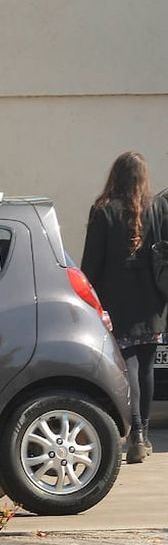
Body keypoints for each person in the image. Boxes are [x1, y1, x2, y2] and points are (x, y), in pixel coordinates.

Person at [82, 151, 167, 464]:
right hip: (152, 303)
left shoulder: (103, 209)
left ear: (115, 175)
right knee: (146, 367)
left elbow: (92, 262)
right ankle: (141, 435)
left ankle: (136, 433)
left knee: (127, 364)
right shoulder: (158, 207)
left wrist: (87, 298)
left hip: (116, 301)